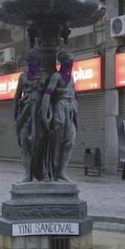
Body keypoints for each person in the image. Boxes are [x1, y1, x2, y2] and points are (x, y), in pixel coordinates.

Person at [13, 48, 49, 182]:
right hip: (25, 113)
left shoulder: (45, 76)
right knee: (24, 142)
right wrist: (15, 114)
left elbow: (49, 96)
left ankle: (42, 172)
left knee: (39, 143)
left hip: (39, 113)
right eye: (28, 61)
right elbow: (17, 96)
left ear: (38, 62)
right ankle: (27, 173)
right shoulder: (23, 77)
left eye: (33, 61)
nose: (30, 64)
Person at [42, 51, 77, 182]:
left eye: (72, 62)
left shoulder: (72, 78)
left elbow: (76, 96)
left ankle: (62, 171)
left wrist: (75, 113)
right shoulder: (56, 76)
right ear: (64, 63)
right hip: (60, 108)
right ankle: (54, 171)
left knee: (70, 141)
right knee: (57, 142)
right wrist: (46, 113)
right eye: (69, 62)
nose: (71, 65)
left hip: (70, 109)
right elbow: (47, 94)